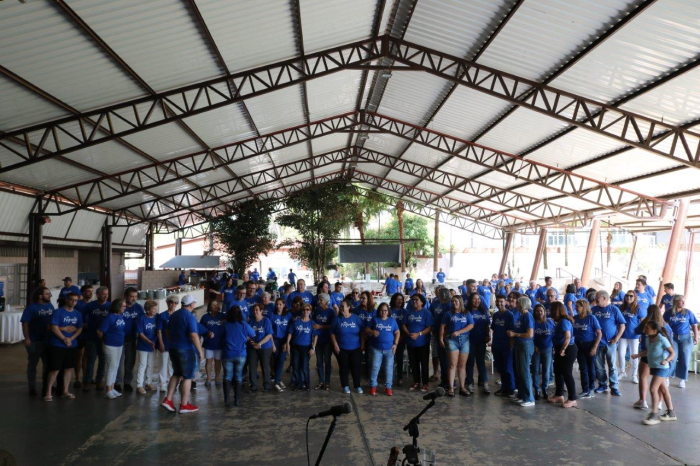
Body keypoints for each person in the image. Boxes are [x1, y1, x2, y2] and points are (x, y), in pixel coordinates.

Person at [161, 295, 204, 414]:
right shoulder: (189, 316)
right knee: (188, 376)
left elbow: (167, 331)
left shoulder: (174, 315)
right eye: (194, 303)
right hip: (186, 349)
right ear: (191, 304)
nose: (194, 304)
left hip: (173, 348)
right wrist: (200, 351)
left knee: (177, 373)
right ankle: (184, 404)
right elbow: (194, 335)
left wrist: (172, 342)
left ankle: (168, 399)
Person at [632, 321, 676, 425]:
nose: (644, 330)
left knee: (653, 388)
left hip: (662, 368)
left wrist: (666, 360)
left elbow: (672, 353)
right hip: (654, 367)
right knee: (664, 390)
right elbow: (648, 351)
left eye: (647, 328)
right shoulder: (648, 338)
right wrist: (638, 355)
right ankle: (671, 413)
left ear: (654, 330)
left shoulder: (662, 339)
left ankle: (654, 414)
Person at [44, 292, 82, 401]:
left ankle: (65, 391)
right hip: (58, 345)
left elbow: (79, 328)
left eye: (75, 300)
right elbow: (53, 327)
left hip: (71, 345)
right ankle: (48, 392)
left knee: (68, 368)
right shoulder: (58, 312)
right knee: (55, 369)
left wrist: (71, 338)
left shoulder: (77, 314)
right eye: (71, 299)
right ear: (66, 300)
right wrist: (64, 339)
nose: (73, 302)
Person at [633, 305, 672, 410]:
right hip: (661, 356)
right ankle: (659, 403)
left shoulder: (645, 324)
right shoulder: (665, 326)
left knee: (643, 377)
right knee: (661, 382)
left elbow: (636, 331)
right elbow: (671, 343)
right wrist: (668, 360)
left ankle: (643, 400)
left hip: (647, 354)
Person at [21, 286, 55, 396]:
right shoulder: (31, 308)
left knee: (48, 364)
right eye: (47, 294)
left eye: (49, 294)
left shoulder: (50, 306)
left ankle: (47, 385)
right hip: (34, 341)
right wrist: (27, 338)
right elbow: (25, 324)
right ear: (40, 296)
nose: (49, 296)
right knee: (32, 365)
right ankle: (32, 387)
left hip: (48, 340)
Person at [591, 290, 626, 396]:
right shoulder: (593, 309)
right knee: (599, 366)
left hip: (610, 343)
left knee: (612, 365)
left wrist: (616, 338)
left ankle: (614, 386)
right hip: (597, 343)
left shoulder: (614, 309)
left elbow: (622, 325)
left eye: (597, 298)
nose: (595, 300)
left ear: (604, 298)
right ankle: (602, 384)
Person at [221, 306, 255, 407]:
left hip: (227, 353)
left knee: (227, 376)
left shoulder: (226, 324)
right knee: (238, 375)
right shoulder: (244, 324)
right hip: (241, 354)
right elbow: (253, 334)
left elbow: (221, 336)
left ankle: (227, 400)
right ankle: (237, 400)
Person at [440, 295, 474, 397]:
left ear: (460, 302)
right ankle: (451, 388)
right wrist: (441, 338)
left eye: (456, 301)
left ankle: (462, 387)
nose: (454, 303)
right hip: (452, 340)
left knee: (462, 366)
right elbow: (442, 326)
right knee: (452, 365)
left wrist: (459, 332)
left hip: (464, 340)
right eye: (452, 301)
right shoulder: (448, 314)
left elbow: (471, 325)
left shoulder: (466, 313)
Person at [547, 302, 578, 408]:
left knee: (567, 373)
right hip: (560, 348)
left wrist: (563, 349)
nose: (550, 311)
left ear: (557, 310)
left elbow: (567, 337)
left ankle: (572, 399)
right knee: (558, 372)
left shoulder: (564, 321)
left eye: (551, 309)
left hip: (567, 349)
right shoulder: (558, 321)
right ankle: (559, 395)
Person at [663, 295, 698, 388]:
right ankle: (667, 377)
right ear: (676, 302)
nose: (683, 303)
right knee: (672, 358)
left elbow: (694, 325)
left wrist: (696, 337)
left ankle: (682, 379)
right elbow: (664, 325)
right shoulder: (668, 312)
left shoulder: (688, 312)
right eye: (681, 301)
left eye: (684, 301)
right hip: (673, 338)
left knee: (685, 359)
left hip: (686, 338)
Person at [367, 303, 400, 396]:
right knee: (375, 367)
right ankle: (373, 386)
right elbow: (366, 329)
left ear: (388, 311)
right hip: (376, 348)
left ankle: (388, 387)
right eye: (382, 310)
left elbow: (397, 332)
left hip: (389, 349)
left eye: (385, 310)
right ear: (379, 311)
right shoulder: (375, 319)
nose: (384, 312)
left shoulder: (392, 321)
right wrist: (372, 331)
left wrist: (395, 344)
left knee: (389, 369)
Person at [508, 296, 535, 407]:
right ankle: (521, 395)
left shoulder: (528, 316)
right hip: (519, 345)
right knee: (519, 371)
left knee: (524, 371)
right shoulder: (521, 316)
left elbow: (530, 334)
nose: (516, 305)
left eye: (518, 303)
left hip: (525, 345)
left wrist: (515, 334)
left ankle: (529, 398)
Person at [115, 287, 144, 392]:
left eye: (135, 296)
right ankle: (117, 383)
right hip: (120, 338)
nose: (134, 298)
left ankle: (127, 382)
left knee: (130, 361)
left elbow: (143, 321)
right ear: (125, 296)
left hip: (132, 338)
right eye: (131, 296)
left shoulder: (138, 308)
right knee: (118, 361)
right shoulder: (120, 307)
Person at [403, 293, 433, 392]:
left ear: (422, 302)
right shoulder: (408, 312)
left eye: (416, 300)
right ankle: (416, 381)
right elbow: (404, 324)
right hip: (410, 342)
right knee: (413, 362)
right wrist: (408, 333)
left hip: (423, 342)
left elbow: (429, 327)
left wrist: (419, 334)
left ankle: (425, 383)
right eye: (413, 300)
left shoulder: (426, 313)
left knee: (424, 363)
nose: (414, 301)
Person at [97, 299, 126, 400]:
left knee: (116, 366)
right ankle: (108, 389)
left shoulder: (120, 316)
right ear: (117, 307)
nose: (125, 308)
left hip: (119, 344)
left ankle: (112, 388)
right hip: (110, 345)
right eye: (123, 306)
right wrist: (106, 340)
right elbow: (100, 331)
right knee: (111, 366)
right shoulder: (110, 317)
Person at [83, 286, 111, 391]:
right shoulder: (90, 306)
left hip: (105, 338)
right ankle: (87, 381)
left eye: (107, 294)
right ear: (98, 295)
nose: (106, 296)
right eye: (103, 294)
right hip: (91, 337)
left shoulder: (110, 306)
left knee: (103, 360)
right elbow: (81, 315)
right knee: (91, 359)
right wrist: (84, 324)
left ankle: (99, 380)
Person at [573, 300, 602, 398]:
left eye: (578, 306)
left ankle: (591, 388)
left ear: (584, 307)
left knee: (591, 367)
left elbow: (599, 333)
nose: (576, 308)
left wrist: (595, 347)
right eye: (576, 306)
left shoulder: (591, 318)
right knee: (583, 368)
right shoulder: (575, 318)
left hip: (590, 345)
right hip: (579, 345)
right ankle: (585, 389)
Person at [286, 303, 316, 391]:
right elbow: (290, 333)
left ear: (310, 311)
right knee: (296, 366)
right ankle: (298, 383)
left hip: (306, 347)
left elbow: (315, 336)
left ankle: (307, 384)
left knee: (304, 367)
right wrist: (287, 344)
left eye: (307, 309)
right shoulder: (296, 321)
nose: (305, 311)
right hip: (296, 347)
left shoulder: (312, 323)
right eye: (304, 309)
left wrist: (313, 348)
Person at [466, 292, 491, 394]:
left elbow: (487, 325)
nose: (477, 301)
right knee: (470, 362)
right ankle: (470, 383)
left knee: (481, 362)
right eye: (475, 299)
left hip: (481, 340)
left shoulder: (483, 311)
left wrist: (488, 335)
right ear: (471, 300)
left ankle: (485, 383)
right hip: (470, 340)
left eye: (478, 299)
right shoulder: (467, 311)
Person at [619, 290, 646, 383]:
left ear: (634, 297)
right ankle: (622, 371)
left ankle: (634, 375)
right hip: (623, 334)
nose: (629, 297)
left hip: (634, 335)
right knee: (621, 354)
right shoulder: (622, 307)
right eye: (627, 295)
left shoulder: (638, 308)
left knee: (634, 355)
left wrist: (642, 334)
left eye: (631, 296)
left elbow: (643, 322)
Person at [491, 296, 515, 396]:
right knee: (500, 367)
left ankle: (511, 388)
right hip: (497, 344)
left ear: (505, 302)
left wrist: (510, 346)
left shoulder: (509, 315)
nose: (499, 303)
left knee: (508, 368)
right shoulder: (495, 315)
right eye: (497, 301)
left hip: (506, 345)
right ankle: (504, 388)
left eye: (501, 301)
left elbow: (512, 331)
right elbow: (494, 329)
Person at [248, 303, 273, 393]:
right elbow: (247, 335)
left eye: (257, 310)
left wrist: (259, 344)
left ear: (261, 311)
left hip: (265, 347)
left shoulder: (266, 320)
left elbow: (269, 334)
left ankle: (267, 385)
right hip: (253, 347)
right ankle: (253, 385)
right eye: (254, 310)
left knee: (265, 366)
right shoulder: (251, 321)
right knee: (252, 366)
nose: (255, 312)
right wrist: (253, 343)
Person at [157, 295, 179, 391]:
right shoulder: (162, 315)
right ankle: (162, 383)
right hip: (165, 343)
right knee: (163, 364)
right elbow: (159, 331)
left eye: (175, 303)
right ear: (167, 303)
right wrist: (161, 343)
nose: (173, 304)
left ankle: (172, 383)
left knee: (172, 365)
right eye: (171, 302)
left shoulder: (178, 315)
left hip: (175, 344)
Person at [312, 293, 335, 390]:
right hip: (318, 339)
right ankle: (321, 381)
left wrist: (320, 326)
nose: (319, 302)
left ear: (326, 302)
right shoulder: (317, 310)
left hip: (327, 340)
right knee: (319, 361)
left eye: (321, 300)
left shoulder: (331, 312)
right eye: (319, 300)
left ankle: (327, 382)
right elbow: (313, 322)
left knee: (327, 361)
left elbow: (333, 326)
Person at [135, 300, 158, 394]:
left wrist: (154, 342)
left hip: (153, 345)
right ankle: (139, 385)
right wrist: (149, 341)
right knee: (142, 365)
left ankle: (148, 382)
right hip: (143, 345)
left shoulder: (156, 317)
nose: (155, 310)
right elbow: (140, 333)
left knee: (150, 364)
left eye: (156, 309)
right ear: (148, 309)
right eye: (153, 309)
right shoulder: (142, 318)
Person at [532, 304, 554, 400]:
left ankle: (545, 388)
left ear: (544, 312)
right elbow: (530, 335)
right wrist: (533, 346)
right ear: (535, 312)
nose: (539, 313)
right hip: (536, 349)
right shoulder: (533, 323)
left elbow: (555, 333)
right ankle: (537, 389)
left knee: (546, 369)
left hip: (547, 349)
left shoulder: (549, 322)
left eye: (541, 311)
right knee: (535, 370)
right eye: (537, 311)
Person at [200, 301, 225, 387]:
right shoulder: (205, 317)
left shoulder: (222, 316)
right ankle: (208, 378)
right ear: (209, 307)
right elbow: (200, 329)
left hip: (219, 343)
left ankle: (217, 377)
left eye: (217, 304)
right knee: (209, 360)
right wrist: (207, 333)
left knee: (218, 361)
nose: (215, 306)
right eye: (213, 305)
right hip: (209, 343)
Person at [74, 284, 93, 389]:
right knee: (79, 356)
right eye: (88, 291)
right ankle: (77, 378)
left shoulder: (94, 304)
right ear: (82, 293)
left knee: (88, 356)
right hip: (80, 334)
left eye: (92, 291)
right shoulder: (78, 304)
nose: (90, 293)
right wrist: (81, 325)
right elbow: (74, 318)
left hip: (90, 334)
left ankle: (86, 377)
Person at [271, 298, 291, 392]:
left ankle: (276, 382)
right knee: (275, 361)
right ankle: (278, 379)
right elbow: (270, 331)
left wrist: (287, 343)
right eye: (277, 304)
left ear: (284, 305)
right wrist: (272, 344)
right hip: (275, 340)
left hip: (284, 340)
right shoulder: (272, 315)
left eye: (280, 304)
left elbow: (290, 330)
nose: (278, 306)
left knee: (281, 360)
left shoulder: (288, 315)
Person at [389, 293, 407, 387]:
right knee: (389, 359)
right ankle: (389, 378)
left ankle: (399, 378)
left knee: (399, 358)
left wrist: (401, 337)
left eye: (401, 299)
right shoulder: (389, 311)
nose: (400, 301)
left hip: (401, 338)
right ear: (394, 300)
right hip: (389, 338)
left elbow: (406, 325)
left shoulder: (404, 312)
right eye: (398, 299)